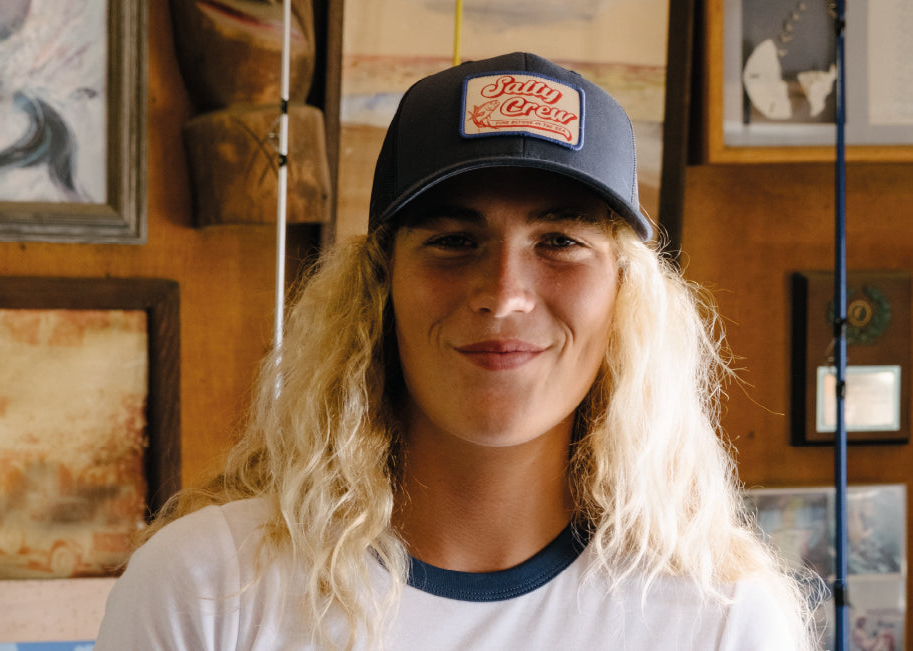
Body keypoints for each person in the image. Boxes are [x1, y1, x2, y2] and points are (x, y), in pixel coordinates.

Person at [95, 52, 816, 650]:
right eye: (453, 241)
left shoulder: (721, 618)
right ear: (378, 286)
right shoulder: (207, 587)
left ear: (626, 295)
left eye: (559, 241)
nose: (503, 294)